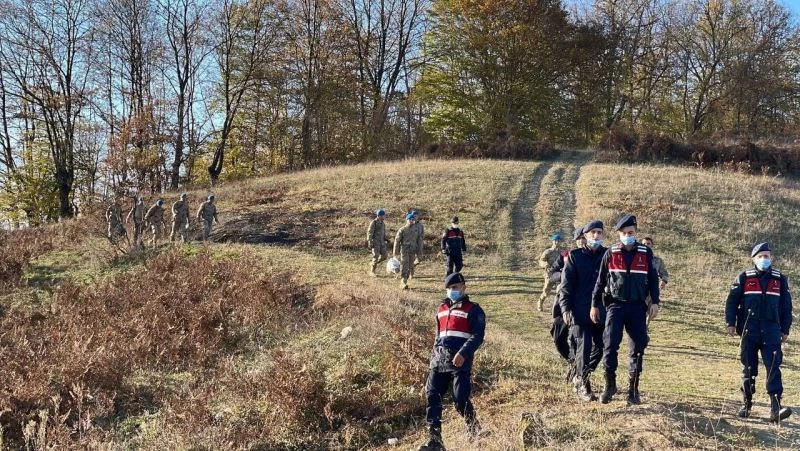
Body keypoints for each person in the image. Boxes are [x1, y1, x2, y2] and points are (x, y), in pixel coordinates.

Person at [591, 214, 660, 405]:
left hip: (637, 307)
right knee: (610, 345)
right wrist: (594, 305)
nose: (628, 235)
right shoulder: (611, 253)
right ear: (619, 234)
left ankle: (633, 389)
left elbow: (653, 280)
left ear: (635, 232)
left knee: (637, 348)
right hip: (615, 305)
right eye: (624, 233)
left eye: (631, 232)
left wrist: (655, 302)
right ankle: (610, 385)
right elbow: (600, 281)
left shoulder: (645, 253)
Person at [725, 242, 793, 423]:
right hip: (750, 329)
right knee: (749, 368)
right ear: (754, 258)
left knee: (773, 368)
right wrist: (730, 323)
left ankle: (775, 409)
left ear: (772, 258)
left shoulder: (780, 279)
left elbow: (786, 306)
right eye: (761, 256)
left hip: (772, 330)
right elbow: (732, 301)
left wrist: (785, 329)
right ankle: (746, 404)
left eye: (767, 256)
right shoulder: (744, 277)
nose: (764, 259)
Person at [419, 272, 486, 451]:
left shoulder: (474, 309)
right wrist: (433, 357)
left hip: (459, 362)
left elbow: (478, 336)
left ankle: (474, 427)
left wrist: (463, 353)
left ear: (463, 286)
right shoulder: (441, 309)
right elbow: (437, 336)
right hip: (438, 361)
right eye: (449, 288)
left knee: (460, 399)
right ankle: (435, 442)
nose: (452, 291)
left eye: (455, 287)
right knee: (432, 397)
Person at [559, 220, 608, 402]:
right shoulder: (575, 256)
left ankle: (580, 374)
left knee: (601, 348)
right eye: (593, 232)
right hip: (579, 310)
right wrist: (565, 308)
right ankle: (584, 385)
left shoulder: (608, 255)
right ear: (585, 235)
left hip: (601, 311)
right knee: (584, 347)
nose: (596, 236)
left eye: (599, 232)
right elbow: (566, 286)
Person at [550, 226, 586, 384]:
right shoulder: (566, 255)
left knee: (576, 338)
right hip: (562, 301)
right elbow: (551, 273)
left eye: (584, 238)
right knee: (558, 337)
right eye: (579, 239)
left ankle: (579, 371)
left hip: (581, 304)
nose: (582, 241)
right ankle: (572, 360)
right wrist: (565, 275)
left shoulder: (594, 257)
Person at [394, 212, 423, 289]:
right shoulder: (402, 230)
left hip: (413, 251)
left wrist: (419, 252)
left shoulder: (416, 230)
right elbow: (397, 241)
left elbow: (419, 242)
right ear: (406, 220)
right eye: (409, 219)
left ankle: (404, 280)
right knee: (404, 265)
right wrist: (395, 253)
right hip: (404, 251)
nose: (411, 220)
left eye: (412, 219)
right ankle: (403, 282)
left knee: (410, 266)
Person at [642, 236, 669, 311]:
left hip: (652, 289)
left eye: (648, 243)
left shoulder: (657, 261)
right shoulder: (637, 259)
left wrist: (663, 281)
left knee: (650, 310)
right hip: (639, 288)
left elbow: (664, 273)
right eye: (644, 244)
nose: (646, 245)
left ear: (651, 245)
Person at [537, 234, 564, 311]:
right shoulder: (548, 252)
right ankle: (540, 301)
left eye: (558, 241)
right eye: (555, 241)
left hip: (559, 274)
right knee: (546, 291)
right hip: (550, 274)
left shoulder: (562, 252)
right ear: (552, 241)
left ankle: (557, 307)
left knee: (560, 290)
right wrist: (545, 264)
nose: (557, 242)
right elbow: (541, 261)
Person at [367, 209, 389, 276]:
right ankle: (372, 271)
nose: (384, 217)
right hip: (375, 243)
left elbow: (383, 233)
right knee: (375, 256)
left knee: (385, 256)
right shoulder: (374, 223)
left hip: (382, 243)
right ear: (379, 216)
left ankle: (373, 263)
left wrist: (386, 239)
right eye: (383, 215)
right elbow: (369, 233)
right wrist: (370, 242)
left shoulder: (383, 223)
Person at [410, 210, 425, 276]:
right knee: (412, 258)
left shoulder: (420, 225)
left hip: (419, 244)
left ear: (418, 216)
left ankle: (411, 265)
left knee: (419, 258)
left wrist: (421, 239)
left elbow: (423, 234)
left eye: (415, 216)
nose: (414, 217)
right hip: (412, 244)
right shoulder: (410, 224)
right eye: (413, 216)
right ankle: (411, 274)